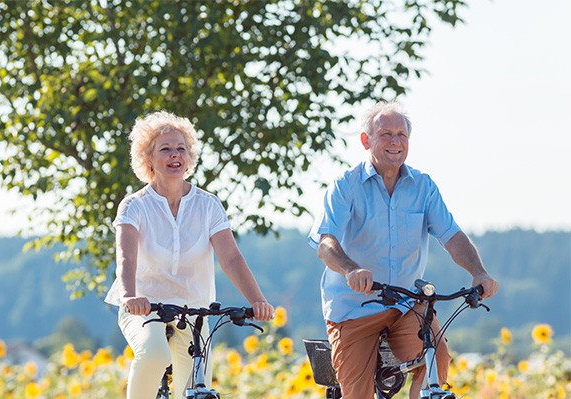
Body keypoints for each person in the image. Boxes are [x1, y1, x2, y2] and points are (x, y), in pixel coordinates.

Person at [307, 101, 499, 399]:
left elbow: (452, 236)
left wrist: (479, 272)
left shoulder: (423, 186)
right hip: (354, 307)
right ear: (366, 140)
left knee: (436, 361)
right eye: (385, 134)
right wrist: (351, 270)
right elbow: (325, 243)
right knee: (357, 394)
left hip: (406, 303)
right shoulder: (346, 185)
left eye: (401, 134)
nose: (395, 141)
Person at [104, 111, 274, 399]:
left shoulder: (207, 205)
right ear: (149, 159)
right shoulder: (134, 206)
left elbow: (231, 258)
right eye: (165, 149)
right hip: (145, 307)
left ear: (189, 157)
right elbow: (126, 257)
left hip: (193, 310)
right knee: (155, 354)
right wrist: (130, 296)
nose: (175, 155)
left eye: (181, 148)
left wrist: (257, 300)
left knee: (197, 387)